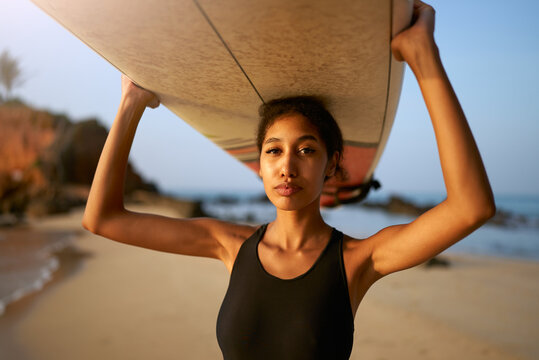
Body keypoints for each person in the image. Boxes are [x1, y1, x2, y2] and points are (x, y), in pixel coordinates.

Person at [82, 1, 495, 359]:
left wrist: (425, 57)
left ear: (332, 166)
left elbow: (470, 207)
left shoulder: (357, 260)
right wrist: (130, 104)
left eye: (307, 150)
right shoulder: (228, 245)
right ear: (260, 165)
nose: (287, 166)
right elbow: (103, 218)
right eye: (274, 150)